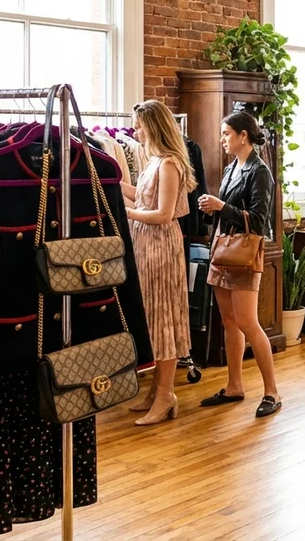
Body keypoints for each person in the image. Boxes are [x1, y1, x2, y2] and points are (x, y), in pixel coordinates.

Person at [197, 111, 282, 418]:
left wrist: (221, 206)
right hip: (223, 252)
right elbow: (229, 211)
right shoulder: (232, 168)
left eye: (226, 134)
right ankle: (234, 385)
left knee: (248, 323)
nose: (222, 139)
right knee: (229, 321)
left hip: (243, 255)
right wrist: (212, 210)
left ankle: (272, 391)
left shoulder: (260, 172)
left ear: (243, 136)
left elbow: (258, 221)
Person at [123, 99, 197, 426]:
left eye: (139, 126)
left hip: (160, 245)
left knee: (163, 317)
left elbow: (164, 214)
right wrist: (111, 184)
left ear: (153, 127)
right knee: (153, 317)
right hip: (146, 243)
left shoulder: (168, 164)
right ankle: (157, 390)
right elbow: (143, 198)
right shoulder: (153, 161)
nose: (135, 132)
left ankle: (166, 394)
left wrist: (127, 212)